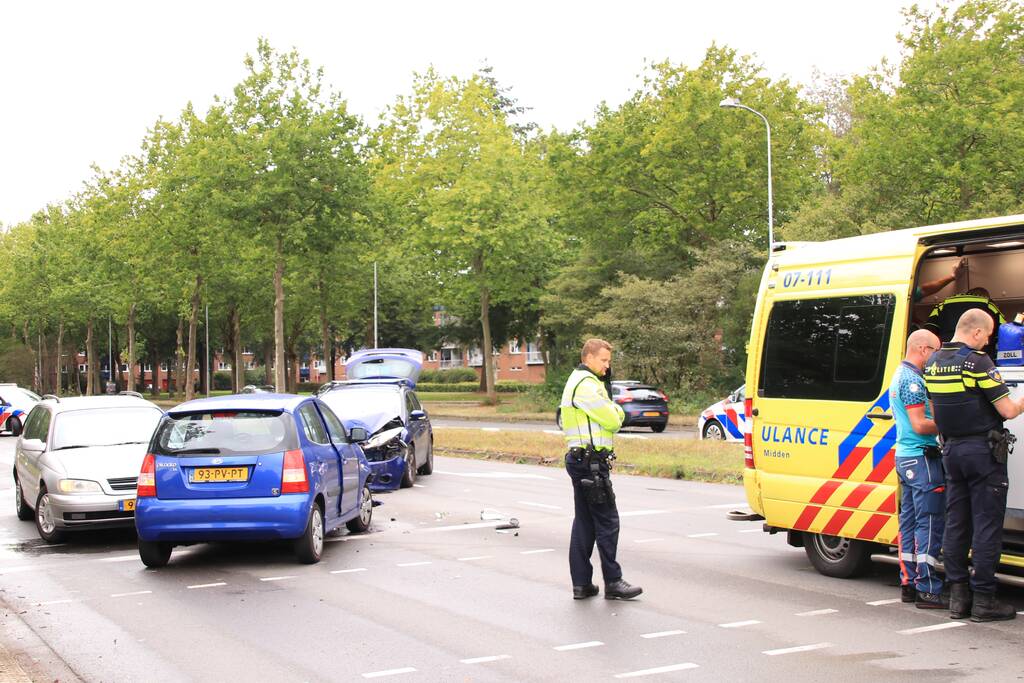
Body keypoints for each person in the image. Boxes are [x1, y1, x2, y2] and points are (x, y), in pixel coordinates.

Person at [923, 309, 1024, 621]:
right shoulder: (978, 362)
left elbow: (935, 409)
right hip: (983, 453)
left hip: (951, 451)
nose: (989, 340)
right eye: (989, 335)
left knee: (957, 524)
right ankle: (984, 601)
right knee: (987, 526)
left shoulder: (933, 363)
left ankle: (958, 597)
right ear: (977, 332)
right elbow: (1007, 410)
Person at [560, 338, 642, 600]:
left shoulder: (582, 381)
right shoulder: (586, 385)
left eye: (609, 361)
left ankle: (582, 584)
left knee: (584, 523)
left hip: (582, 460)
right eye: (604, 361)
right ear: (589, 358)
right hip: (590, 463)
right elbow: (612, 419)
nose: (607, 366)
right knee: (608, 522)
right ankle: (614, 582)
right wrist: (617, 411)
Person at [889, 329, 946, 609]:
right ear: (923, 349)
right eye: (935, 350)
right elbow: (920, 425)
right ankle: (928, 589)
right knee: (930, 522)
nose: (936, 357)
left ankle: (909, 583)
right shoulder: (912, 380)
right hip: (922, 458)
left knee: (909, 523)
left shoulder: (900, 374)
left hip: (905, 457)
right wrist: (951, 423)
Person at [924, 286, 1005, 359]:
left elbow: (927, 332)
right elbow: (1006, 333)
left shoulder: (942, 305)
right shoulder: (989, 305)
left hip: (944, 358)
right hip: (980, 358)